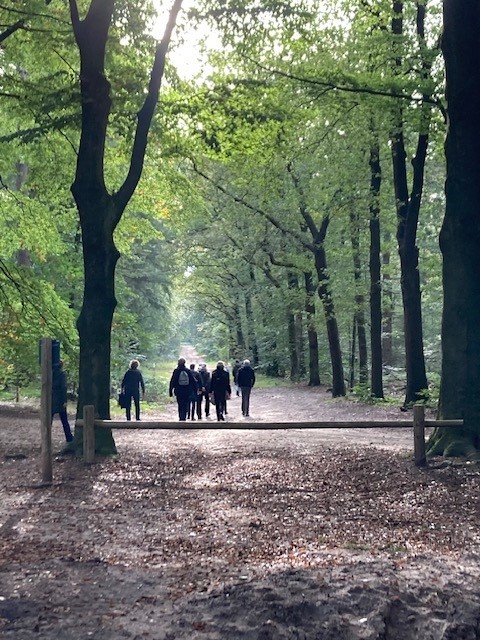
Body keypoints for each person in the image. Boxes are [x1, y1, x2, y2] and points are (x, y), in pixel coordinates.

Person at [169, 357, 197, 421]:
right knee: (185, 403)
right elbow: (193, 381)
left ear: (178, 363)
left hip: (178, 391)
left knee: (180, 404)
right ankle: (184, 416)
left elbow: (172, 381)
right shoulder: (187, 370)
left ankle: (181, 417)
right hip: (187, 391)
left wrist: (170, 391)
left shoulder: (176, 371)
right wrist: (196, 390)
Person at [52, 360, 73, 442]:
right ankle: (69, 438)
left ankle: (45, 438)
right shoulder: (62, 374)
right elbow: (63, 387)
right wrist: (64, 400)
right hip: (60, 400)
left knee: (49, 420)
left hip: (51, 399)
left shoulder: (49, 374)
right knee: (64, 420)